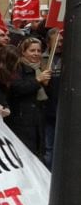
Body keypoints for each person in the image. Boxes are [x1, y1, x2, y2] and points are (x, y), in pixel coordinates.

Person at [43, 28, 62, 168]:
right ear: (49, 42)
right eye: (57, 41)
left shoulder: (72, 57)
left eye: (62, 41)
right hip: (48, 109)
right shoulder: (42, 59)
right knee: (49, 148)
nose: (60, 44)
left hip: (67, 111)